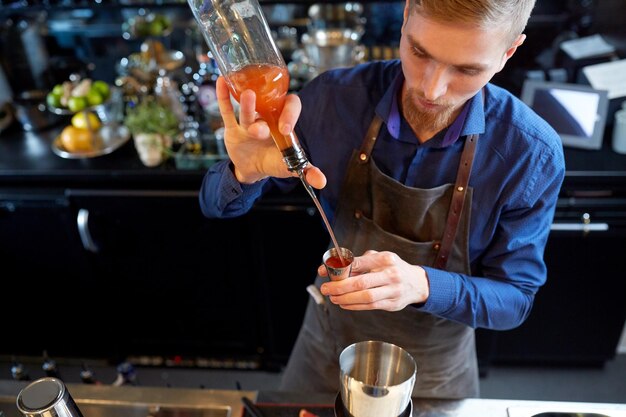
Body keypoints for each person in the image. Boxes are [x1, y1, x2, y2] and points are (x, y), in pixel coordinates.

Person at [199, 0, 565, 399]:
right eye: (420, 52)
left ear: (507, 52)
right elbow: (216, 206)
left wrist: (423, 285)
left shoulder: (529, 153)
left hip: (434, 372)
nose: (431, 88)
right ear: (406, 16)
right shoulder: (332, 100)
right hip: (326, 349)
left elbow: (515, 300)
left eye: (466, 69)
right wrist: (243, 174)